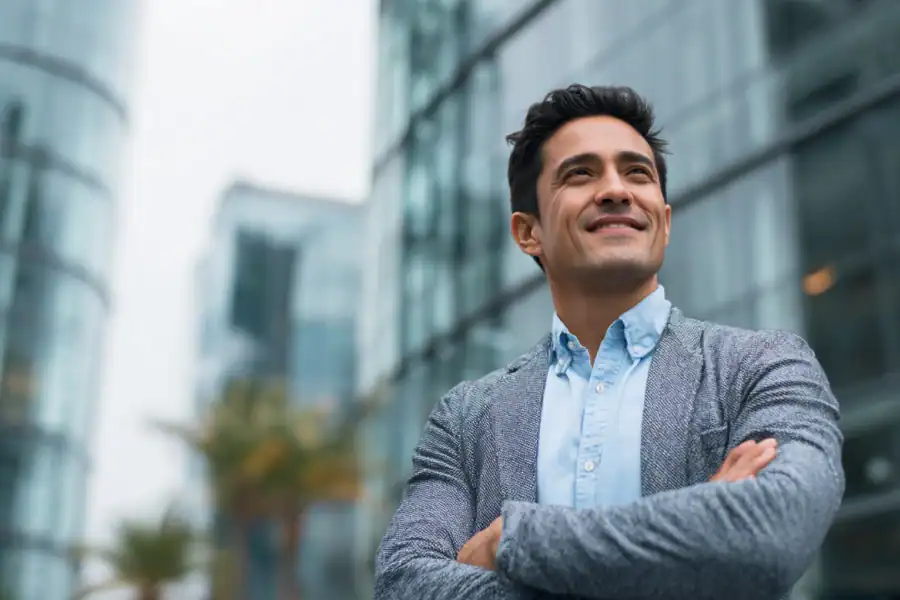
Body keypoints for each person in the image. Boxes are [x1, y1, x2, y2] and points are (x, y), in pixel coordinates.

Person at [374, 84, 844, 600]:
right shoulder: (466, 417)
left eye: (637, 173)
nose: (617, 190)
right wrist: (699, 526)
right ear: (528, 233)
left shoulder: (761, 366)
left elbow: (775, 530)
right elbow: (404, 584)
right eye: (580, 174)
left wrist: (512, 541)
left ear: (664, 222)